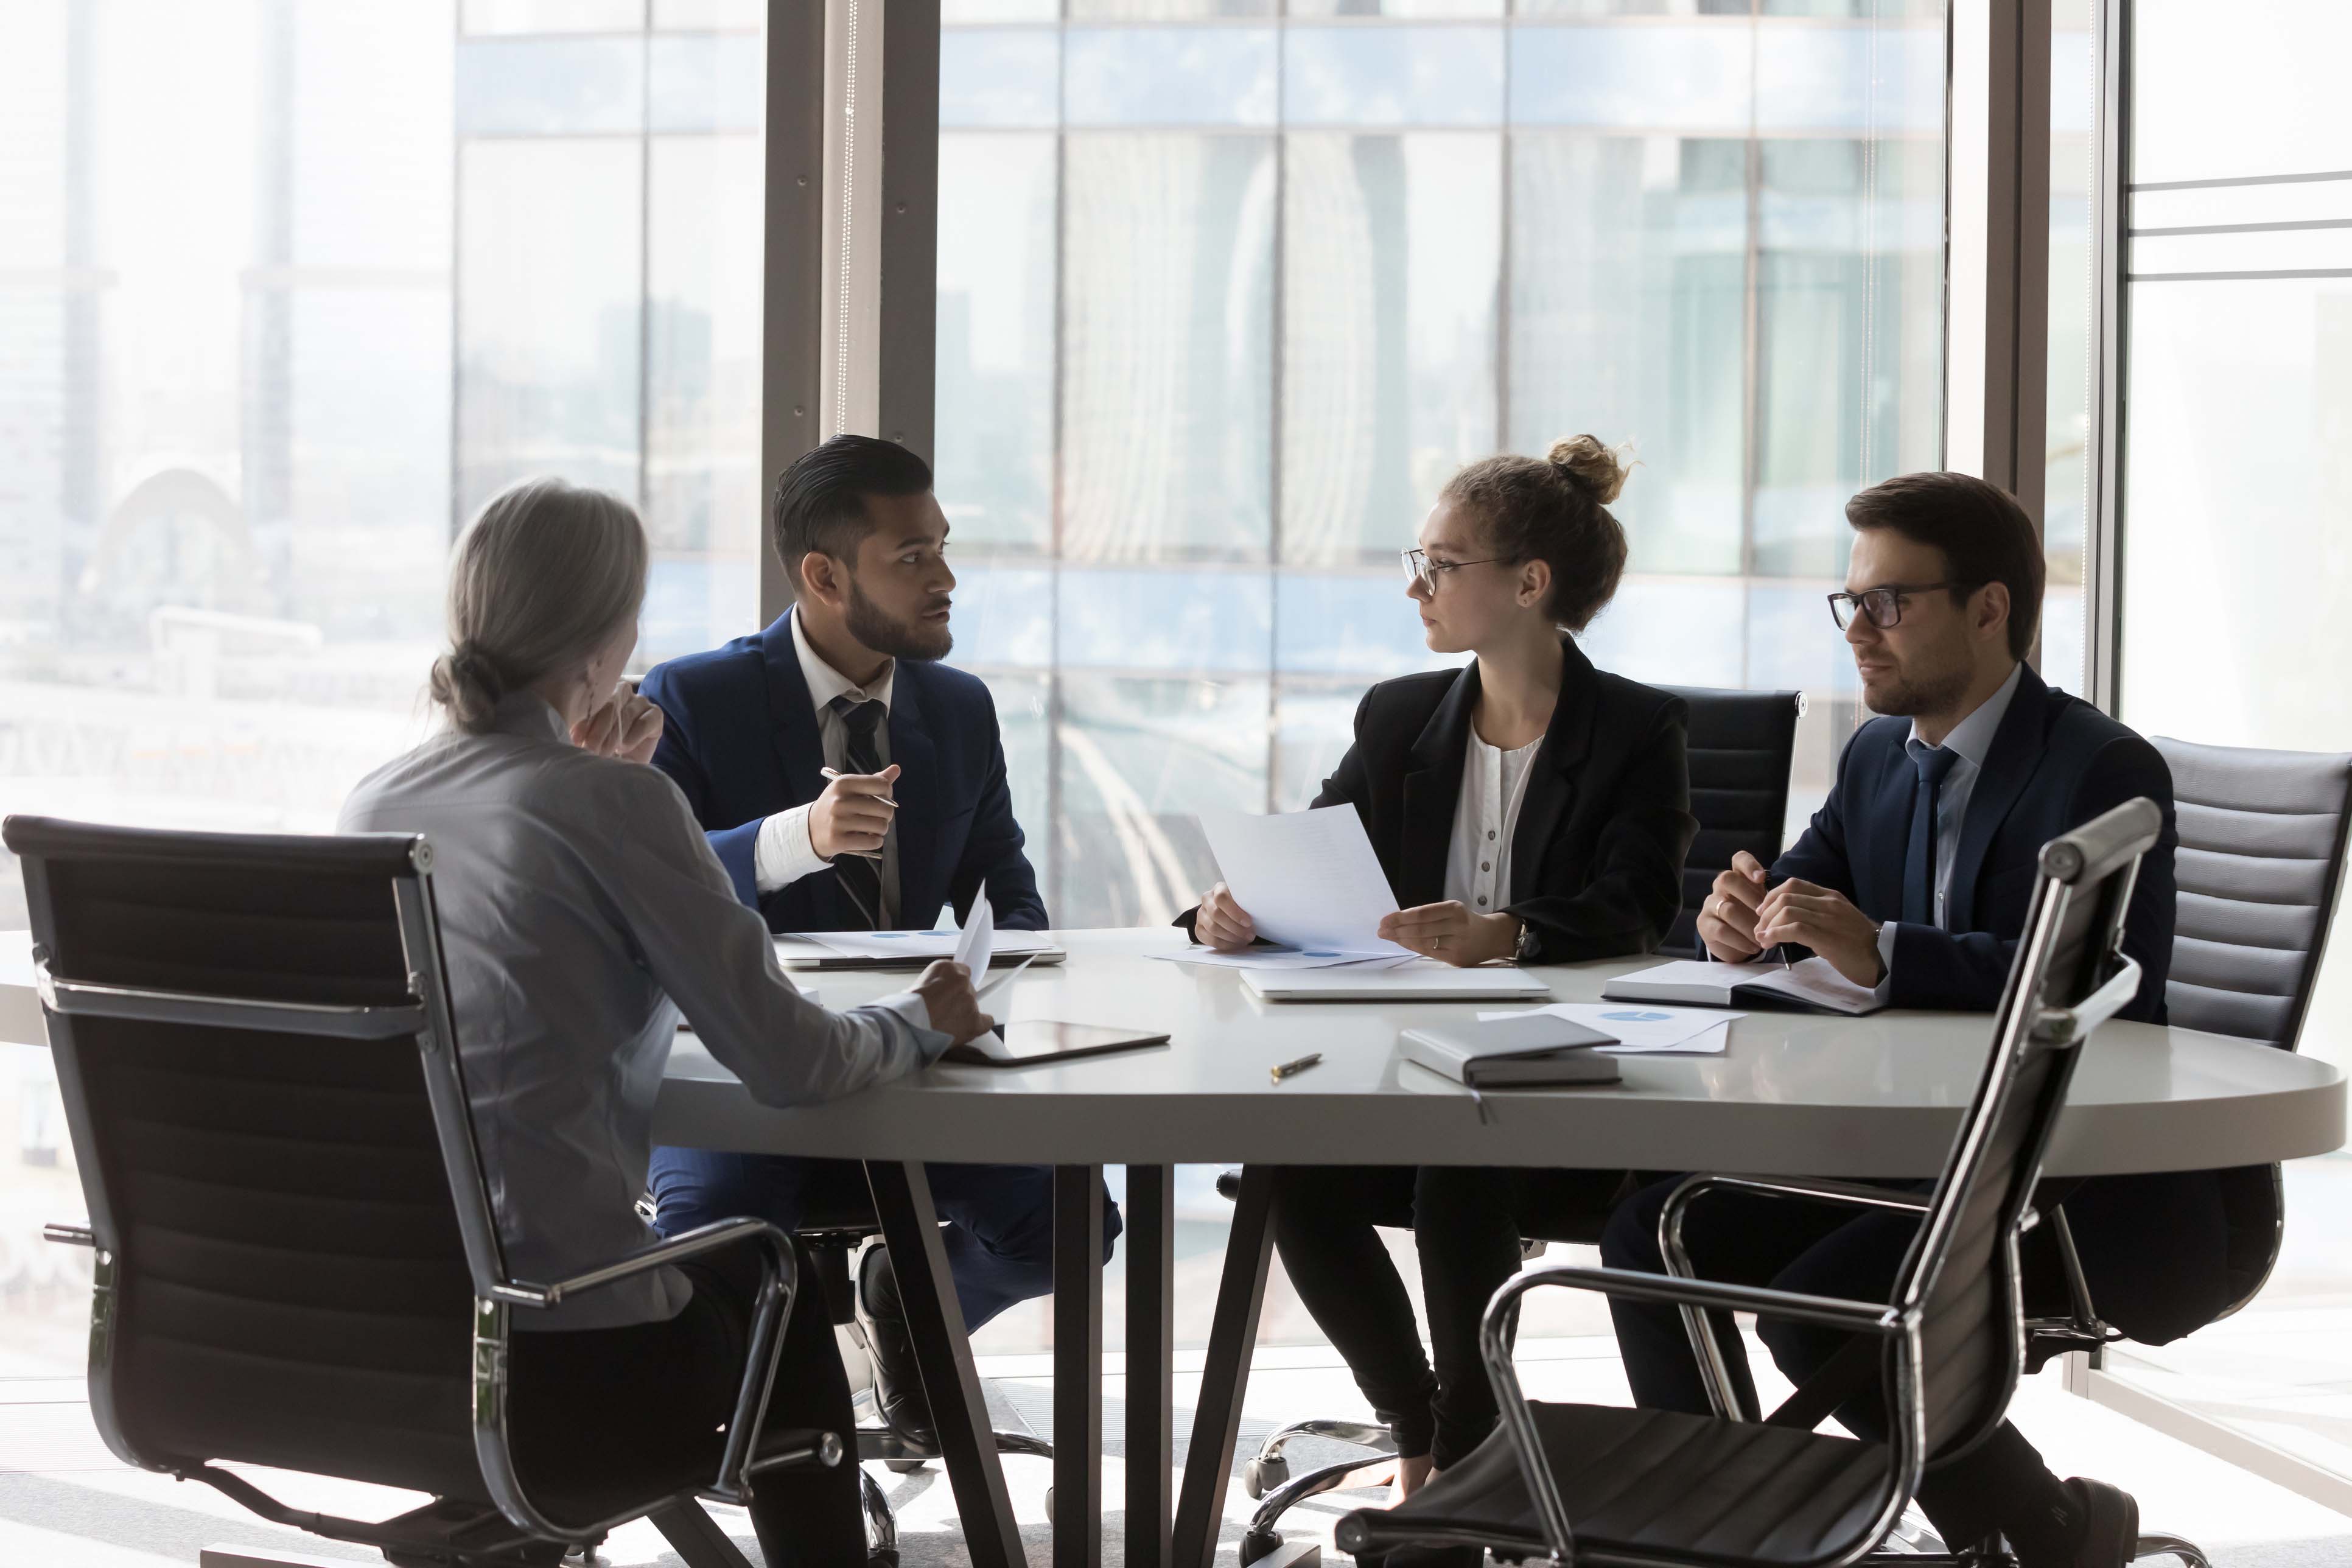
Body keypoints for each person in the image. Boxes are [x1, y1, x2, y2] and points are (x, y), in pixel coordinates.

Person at [339, 478, 998, 1566]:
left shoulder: (377, 801)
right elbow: (793, 1062)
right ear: (608, 637)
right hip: (570, 1344)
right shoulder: (611, 804)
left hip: (404, 1337)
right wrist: (922, 1017)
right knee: (769, 1284)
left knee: (729, 1267)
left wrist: (604, 790)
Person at [1601, 470, 2208, 1568]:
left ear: (1989, 609)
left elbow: (2110, 982)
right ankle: (1724, 1530)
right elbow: (1797, 895)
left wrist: (1884, 949)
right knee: (1650, 1234)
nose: (1859, 634)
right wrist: (1743, 920)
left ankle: (2036, 1527)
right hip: (1891, 1147)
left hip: (2043, 1175)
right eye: (1851, 605)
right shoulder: (1879, 752)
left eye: (1890, 604)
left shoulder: (2103, 768)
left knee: (1815, 1307)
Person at [1187, 437, 1695, 1496]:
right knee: (1285, 1178)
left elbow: (1639, 905)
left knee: (1458, 1173)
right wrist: (1227, 912)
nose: (1417, 586)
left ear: (1528, 583)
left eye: (1440, 563)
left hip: (1570, 1080)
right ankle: (1421, 1434)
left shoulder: (1638, 728)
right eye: (1416, 561)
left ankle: (1467, 1458)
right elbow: (1320, 854)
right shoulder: (1401, 715)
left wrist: (1505, 932)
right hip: (1402, 1060)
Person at [637, 435, 1117, 1452]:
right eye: (914, 557)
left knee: (1075, 1228)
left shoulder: (958, 706)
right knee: (714, 1250)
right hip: (749, 1074)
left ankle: (913, 1293)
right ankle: (778, 1452)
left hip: (916, 1060)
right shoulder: (692, 699)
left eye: (943, 549)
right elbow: (650, 889)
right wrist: (790, 840)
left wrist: (1004, 978)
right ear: (823, 575)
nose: (946, 579)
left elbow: (1006, 886)